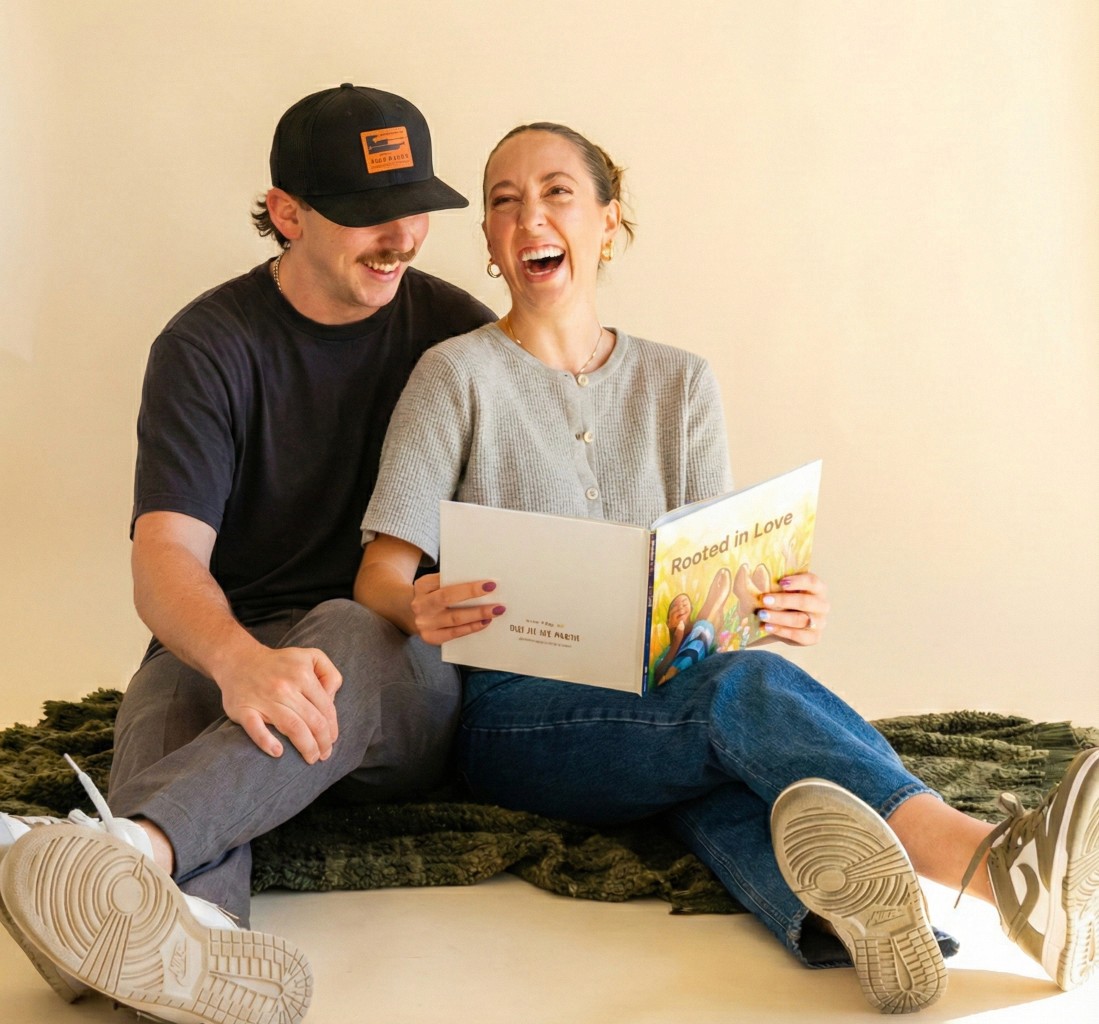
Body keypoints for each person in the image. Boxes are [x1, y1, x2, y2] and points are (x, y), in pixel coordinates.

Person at [353, 121, 1099, 1014]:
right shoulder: (452, 376)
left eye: (555, 193)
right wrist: (418, 605)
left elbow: (712, 576)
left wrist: (776, 604)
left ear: (606, 223)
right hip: (515, 722)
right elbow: (378, 576)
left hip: (665, 697)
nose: (527, 219)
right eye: (503, 202)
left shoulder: (681, 383)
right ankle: (989, 865)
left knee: (736, 755)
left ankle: (854, 922)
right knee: (737, 701)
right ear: (488, 242)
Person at [0, 84, 495, 1024]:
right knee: (169, 697)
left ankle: (127, 853)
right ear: (286, 214)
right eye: (365, 217)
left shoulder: (458, 336)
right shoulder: (206, 345)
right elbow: (165, 563)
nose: (398, 237)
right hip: (242, 647)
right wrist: (236, 662)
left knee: (345, 625)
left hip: (394, 664)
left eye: (413, 212)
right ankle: (187, 954)